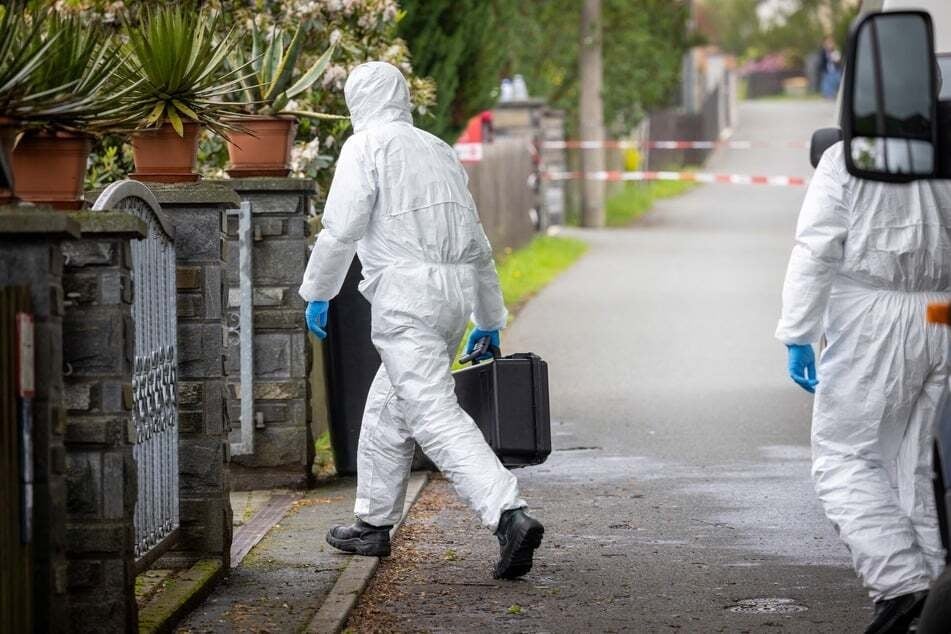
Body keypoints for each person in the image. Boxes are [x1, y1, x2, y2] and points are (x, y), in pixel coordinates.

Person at [299, 61, 544, 579]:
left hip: (407, 297)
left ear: (355, 101)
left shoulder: (364, 147)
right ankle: (373, 523)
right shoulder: (437, 148)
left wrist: (318, 291)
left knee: (432, 412)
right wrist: (488, 317)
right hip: (453, 297)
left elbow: (341, 228)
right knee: (387, 409)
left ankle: (508, 514)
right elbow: (475, 240)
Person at [776, 141, 951, 633]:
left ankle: (900, 584)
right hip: (945, 312)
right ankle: (936, 600)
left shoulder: (848, 157)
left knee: (845, 456)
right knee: (918, 467)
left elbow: (818, 245)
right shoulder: (948, 148)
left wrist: (798, 332)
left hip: (874, 319)